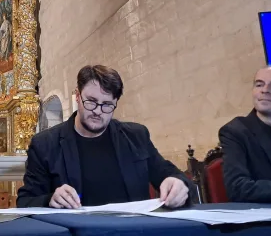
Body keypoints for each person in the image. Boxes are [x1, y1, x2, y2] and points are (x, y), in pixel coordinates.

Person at [17, 65, 192, 209]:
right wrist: (50, 199)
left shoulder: (136, 136)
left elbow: (171, 174)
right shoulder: (45, 144)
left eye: (107, 104)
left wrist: (177, 184)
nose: (98, 111)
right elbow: (25, 202)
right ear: (77, 96)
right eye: (91, 101)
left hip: (133, 232)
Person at [219, 65, 271, 203]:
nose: (265, 90)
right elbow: (237, 188)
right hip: (260, 213)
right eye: (259, 85)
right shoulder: (235, 131)